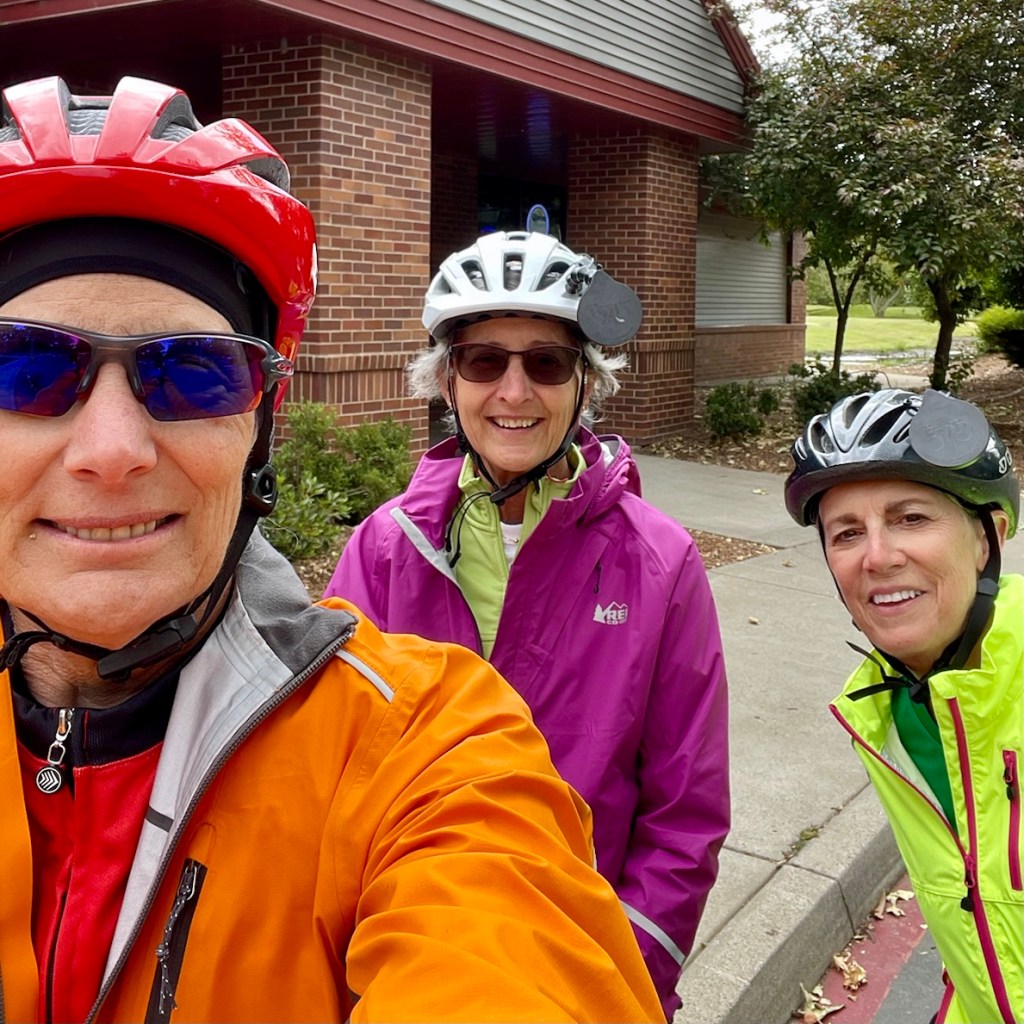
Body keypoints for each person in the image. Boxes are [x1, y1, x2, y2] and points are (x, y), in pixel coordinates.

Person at [0, 75, 665, 1022]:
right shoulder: (390, 539)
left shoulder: (430, 743)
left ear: (259, 427)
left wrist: (647, 945)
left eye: (194, 372)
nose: (113, 451)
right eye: (23, 367)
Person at [324, 229, 731, 1018]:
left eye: (545, 362)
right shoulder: (382, 549)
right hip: (403, 973)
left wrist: (620, 979)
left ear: (585, 381)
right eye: (484, 361)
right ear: (448, 379)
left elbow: (685, 813)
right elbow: (331, 775)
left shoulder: (661, 562)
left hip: (581, 974)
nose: (514, 392)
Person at [784, 388, 1023, 1024]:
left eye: (912, 518)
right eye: (847, 533)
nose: (879, 557)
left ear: (988, 539)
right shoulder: (884, 717)